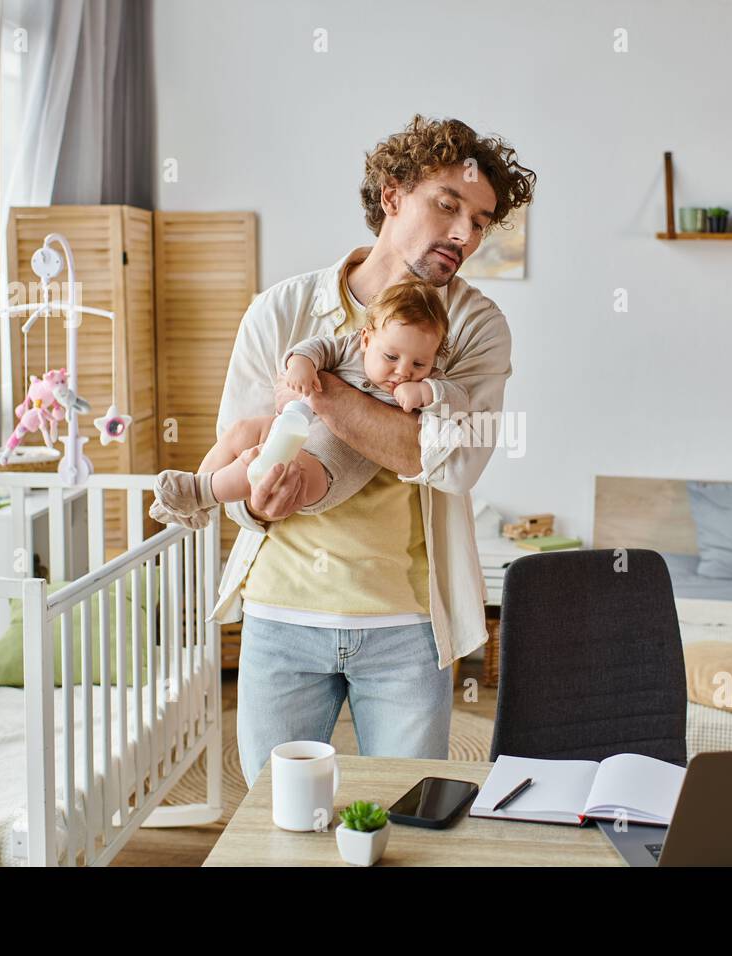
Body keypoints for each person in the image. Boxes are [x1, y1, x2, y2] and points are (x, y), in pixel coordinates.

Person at [208, 114, 536, 786]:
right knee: (281, 826)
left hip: (407, 625)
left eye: (480, 221)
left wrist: (324, 391)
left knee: (407, 822)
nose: (463, 235)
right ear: (391, 195)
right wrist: (258, 505)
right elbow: (234, 459)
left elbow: (451, 462)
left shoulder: (476, 328)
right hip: (281, 614)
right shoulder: (281, 311)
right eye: (448, 206)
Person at [149, 277, 467, 527]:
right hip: (296, 428)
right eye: (391, 356)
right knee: (242, 432)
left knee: (262, 461)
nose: (402, 371)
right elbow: (319, 346)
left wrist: (427, 392)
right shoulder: (351, 347)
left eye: (418, 364)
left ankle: (201, 493)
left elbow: (459, 401)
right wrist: (301, 362)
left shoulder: (427, 380)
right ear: (367, 339)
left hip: (325, 469)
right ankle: (195, 498)